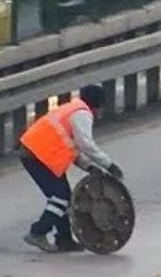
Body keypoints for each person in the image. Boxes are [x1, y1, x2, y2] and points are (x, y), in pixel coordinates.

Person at [18, 83, 123, 253]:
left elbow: (70, 146)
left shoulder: (72, 108)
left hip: (37, 152)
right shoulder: (82, 114)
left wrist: (89, 167)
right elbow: (85, 145)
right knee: (60, 198)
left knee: (63, 196)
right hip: (39, 155)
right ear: (98, 105)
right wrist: (109, 165)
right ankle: (37, 232)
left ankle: (64, 240)